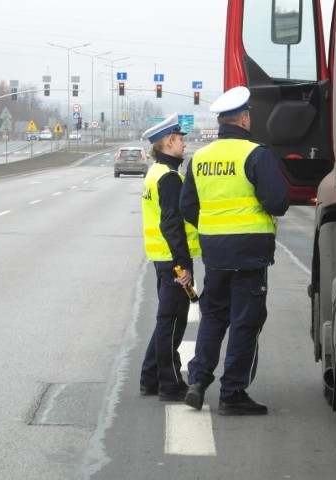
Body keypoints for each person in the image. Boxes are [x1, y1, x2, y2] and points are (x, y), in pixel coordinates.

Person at [180, 86, 290, 415]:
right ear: (244, 119)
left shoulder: (200, 158)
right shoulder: (254, 154)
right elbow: (278, 203)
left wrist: (214, 227)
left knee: (213, 317)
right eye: (250, 116)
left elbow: (187, 206)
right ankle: (233, 393)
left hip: (214, 252)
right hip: (249, 252)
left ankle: (198, 381)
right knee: (245, 320)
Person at [139, 113, 201, 401]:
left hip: (161, 258)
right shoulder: (170, 178)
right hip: (172, 259)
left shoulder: (155, 172)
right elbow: (171, 224)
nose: (184, 145)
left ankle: (150, 377)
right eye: (180, 140)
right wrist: (183, 265)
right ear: (168, 142)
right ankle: (170, 383)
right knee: (172, 323)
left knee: (166, 320)